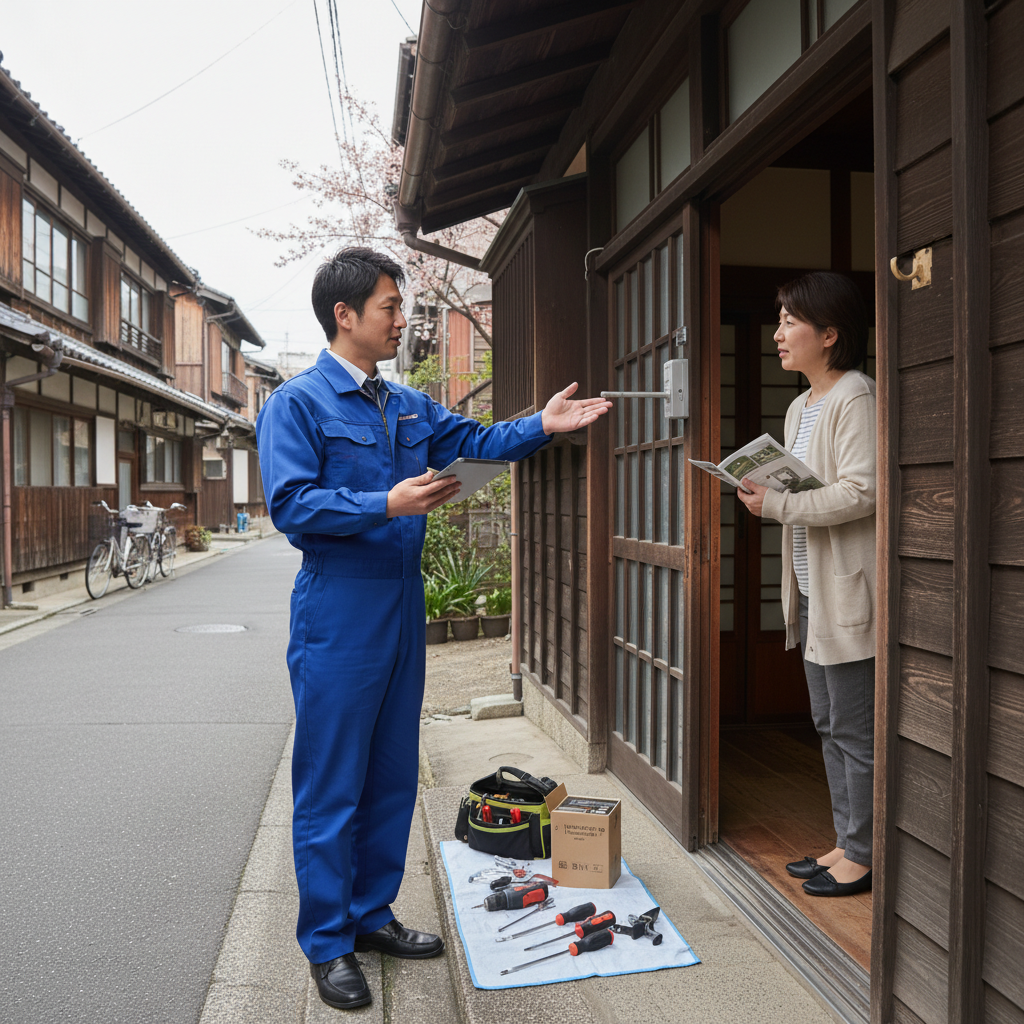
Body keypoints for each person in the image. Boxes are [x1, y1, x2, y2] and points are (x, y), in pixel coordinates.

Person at [255, 247, 612, 1009]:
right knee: (331, 779)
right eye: (389, 306)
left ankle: (371, 915)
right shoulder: (298, 404)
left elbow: (478, 443)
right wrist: (385, 503)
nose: (401, 319)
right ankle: (326, 943)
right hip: (337, 603)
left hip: (400, 600)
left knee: (390, 769)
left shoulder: (407, 403)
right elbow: (290, 507)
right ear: (344, 315)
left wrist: (541, 426)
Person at [736, 271, 876, 898]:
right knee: (825, 722)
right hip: (813, 591)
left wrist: (777, 506)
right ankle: (846, 841)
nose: (779, 332)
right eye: (780, 319)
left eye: (791, 320)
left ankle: (866, 852)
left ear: (831, 333)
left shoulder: (855, 396)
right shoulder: (800, 405)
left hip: (848, 590)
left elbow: (862, 491)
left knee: (853, 727)